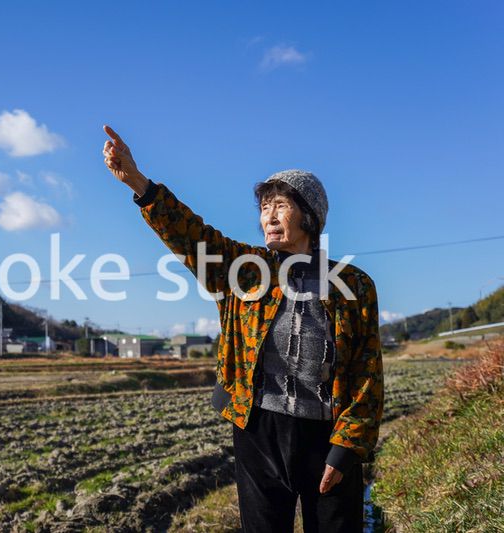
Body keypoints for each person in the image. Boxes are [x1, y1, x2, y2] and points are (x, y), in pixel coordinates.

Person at [101, 124, 384, 533]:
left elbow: (366, 374)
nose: (268, 215)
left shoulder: (353, 285)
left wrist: (346, 448)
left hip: (325, 434)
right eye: (265, 206)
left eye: (281, 205)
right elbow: (189, 235)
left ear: (310, 216)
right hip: (257, 428)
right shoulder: (244, 269)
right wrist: (139, 184)